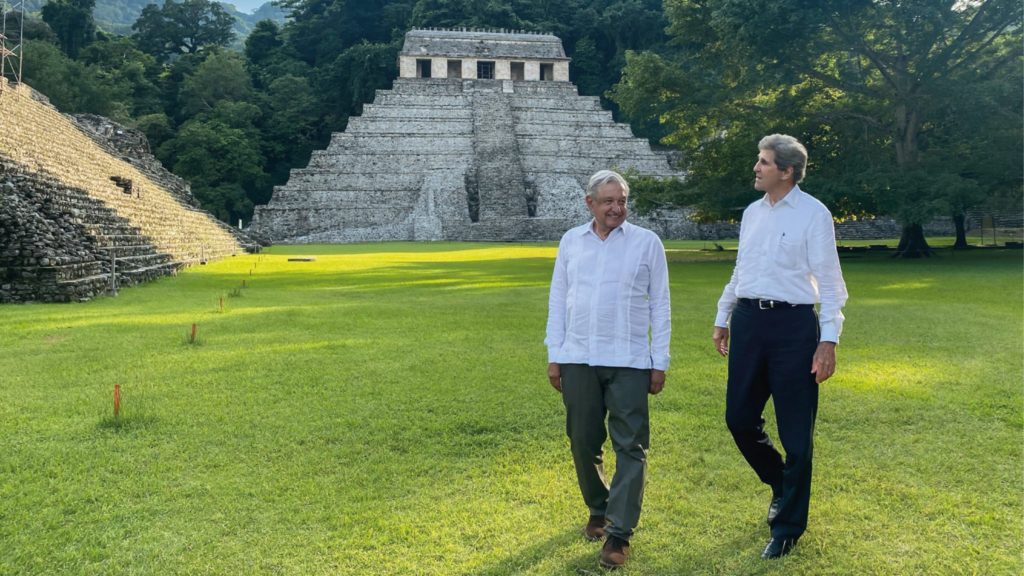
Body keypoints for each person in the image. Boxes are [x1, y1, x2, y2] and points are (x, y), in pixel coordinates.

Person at [712, 134, 848, 559]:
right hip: (750, 322)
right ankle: (782, 483)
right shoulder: (752, 213)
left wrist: (828, 341)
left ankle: (788, 525)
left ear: (787, 172)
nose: (756, 168)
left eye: (764, 162)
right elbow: (741, 269)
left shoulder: (814, 215)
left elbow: (830, 284)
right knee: (739, 418)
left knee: (797, 437)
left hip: (794, 327)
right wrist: (723, 316)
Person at [545, 169, 671, 570]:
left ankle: (618, 533)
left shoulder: (647, 243)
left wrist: (659, 361)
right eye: (608, 202)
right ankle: (598, 509)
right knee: (582, 439)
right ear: (590, 204)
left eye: (622, 201)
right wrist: (555, 353)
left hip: (630, 360)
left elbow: (661, 306)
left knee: (631, 445)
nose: (617, 208)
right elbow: (558, 299)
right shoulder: (571, 242)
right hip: (578, 356)